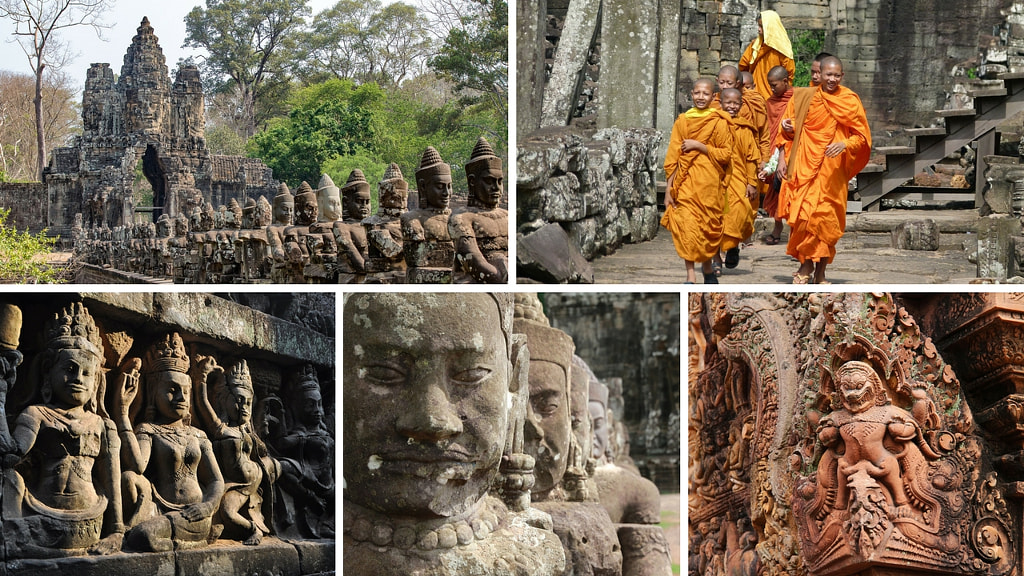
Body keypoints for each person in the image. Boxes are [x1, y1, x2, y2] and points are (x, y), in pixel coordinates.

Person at [774, 56, 871, 284]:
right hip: (804, 166)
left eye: (837, 75)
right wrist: (788, 128)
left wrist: (843, 144)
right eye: (828, 75)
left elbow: (861, 137)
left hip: (832, 170)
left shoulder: (849, 100)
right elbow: (789, 131)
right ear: (820, 74)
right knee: (805, 218)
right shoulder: (804, 96)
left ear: (842, 76)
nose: (832, 79)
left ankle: (820, 272)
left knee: (826, 220)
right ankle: (806, 265)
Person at [661, 78, 733, 284]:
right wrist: (669, 189)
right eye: (698, 93)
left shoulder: (719, 121)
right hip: (685, 184)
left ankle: (708, 267)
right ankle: (690, 275)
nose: (701, 97)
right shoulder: (683, 121)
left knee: (705, 228)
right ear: (692, 94)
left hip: (710, 185)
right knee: (687, 228)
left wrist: (700, 146)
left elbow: (726, 154)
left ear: (713, 97)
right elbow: (673, 156)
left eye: (706, 94)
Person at [719, 88, 760, 270]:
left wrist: (751, 182)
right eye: (728, 102)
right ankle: (715, 261)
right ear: (720, 103)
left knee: (740, 212)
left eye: (736, 103)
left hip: (739, 178)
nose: (732, 107)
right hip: (716, 178)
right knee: (716, 217)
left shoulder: (745, 128)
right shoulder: (713, 123)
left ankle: (733, 245)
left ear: (741, 105)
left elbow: (751, 157)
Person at [759, 65, 795, 245]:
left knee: (792, 191)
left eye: (774, 85)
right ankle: (778, 227)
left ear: (785, 81)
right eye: (770, 85)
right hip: (774, 150)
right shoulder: (771, 102)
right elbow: (767, 129)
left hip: (791, 149)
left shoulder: (796, 98)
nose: (772, 89)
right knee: (775, 189)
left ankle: (794, 232)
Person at [739, 10, 795, 101]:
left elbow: (788, 76)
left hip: (776, 97)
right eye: (759, 25)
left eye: (762, 26)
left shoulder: (783, 49)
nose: (759, 29)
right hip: (754, 95)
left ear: (770, 27)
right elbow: (743, 65)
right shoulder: (756, 45)